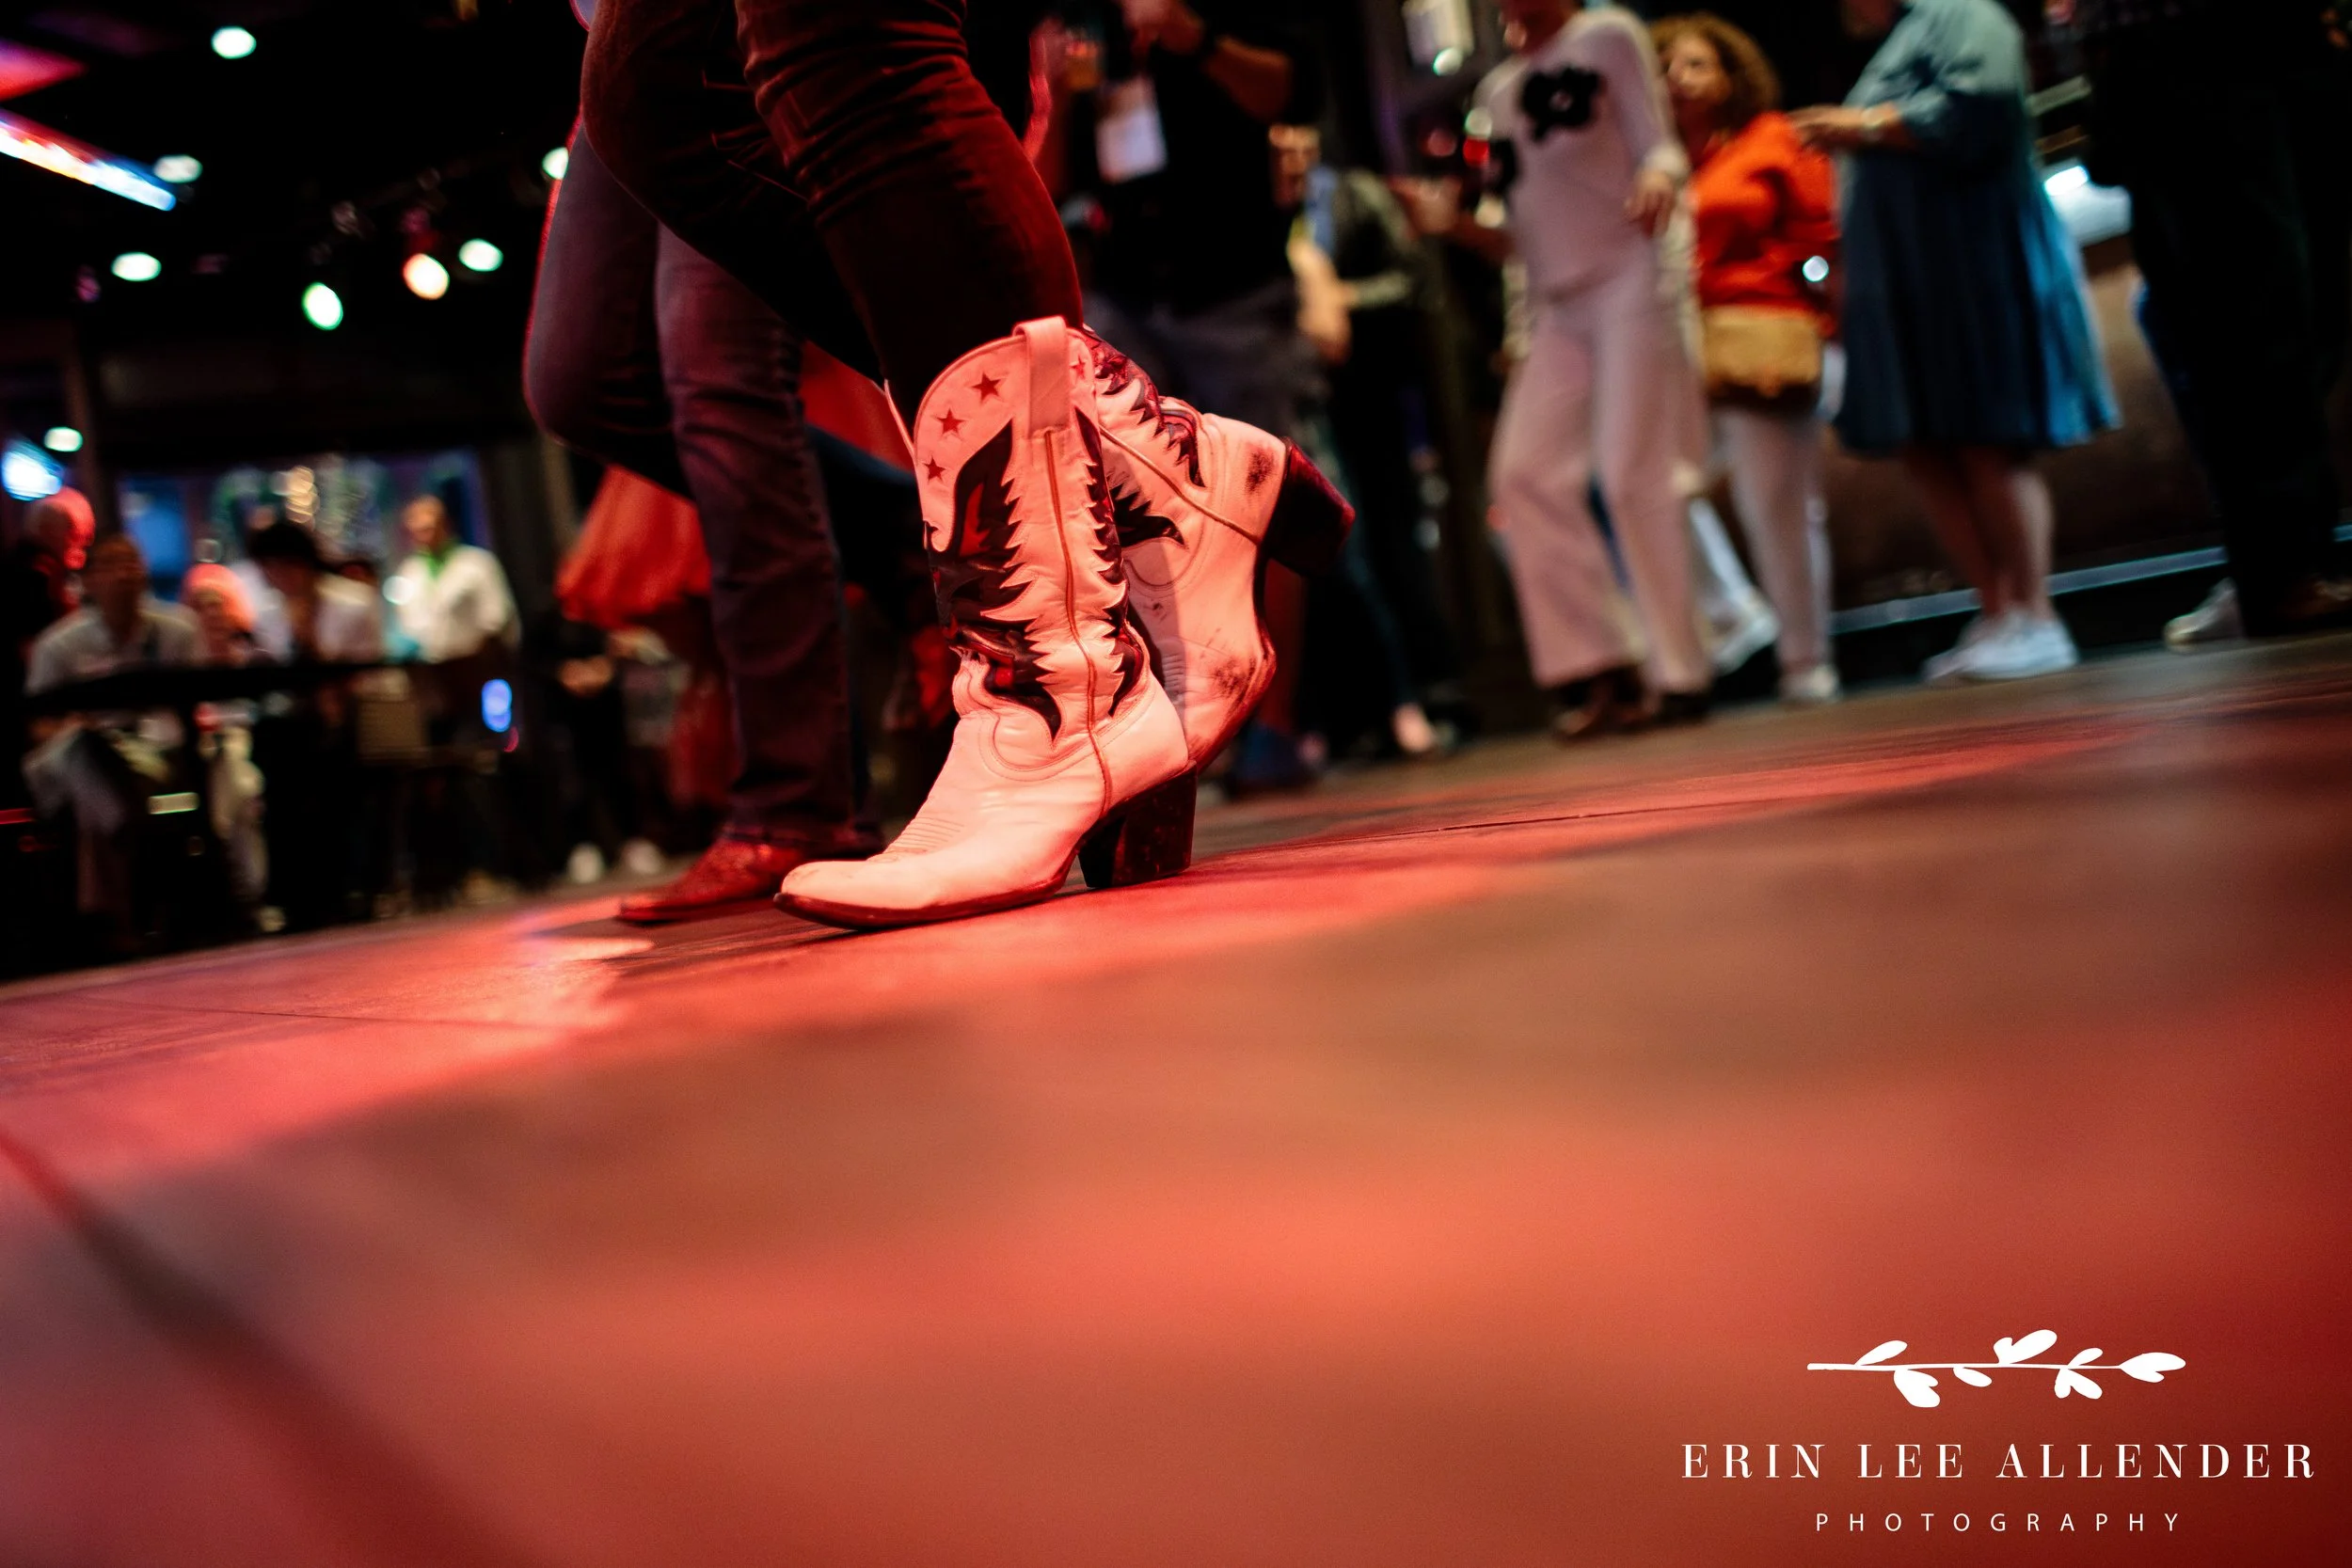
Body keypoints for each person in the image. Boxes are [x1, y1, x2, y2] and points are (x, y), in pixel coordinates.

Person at [578, 0, 1353, 927]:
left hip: (1225, 275)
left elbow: (1302, 88)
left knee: (844, 33)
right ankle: (1169, 470)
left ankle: (1061, 695)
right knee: (653, 93)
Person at [526, 0, 885, 924]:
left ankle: (798, 804)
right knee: (577, 378)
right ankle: (902, 541)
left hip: (717, 28)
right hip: (610, 45)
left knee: (723, 384)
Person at [1791, 0, 2115, 685]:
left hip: (1967, 267)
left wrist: (1864, 124)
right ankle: (1998, 613)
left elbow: (1983, 106)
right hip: (1911, 282)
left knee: (1986, 438)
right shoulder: (1902, 37)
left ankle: (2036, 614)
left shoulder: (1964, 12)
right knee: (1930, 444)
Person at [2054, 0, 2352, 646]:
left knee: (2308, 305)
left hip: (2280, 40)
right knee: (2246, 307)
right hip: (2173, 42)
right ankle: (2279, 568)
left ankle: (2279, 559)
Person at [1467, 0, 1713, 740]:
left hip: (1629, 272)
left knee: (1631, 472)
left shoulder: (1606, 34)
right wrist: (1452, 227)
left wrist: (1666, 179)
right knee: (1523, 475)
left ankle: (1682, 671)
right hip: (1555, 304)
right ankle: (1603, 663)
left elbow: (1657, 145)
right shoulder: (1498, 92)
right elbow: (1515, 225)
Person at [1658, 12, 1844, 705]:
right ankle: (1740, 619)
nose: (1677, 77)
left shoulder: (1771, 139)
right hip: (1677, 350)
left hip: (1764, 332)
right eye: (1666, 65)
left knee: (1782, 508)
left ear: (1732, 77)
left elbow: (1821, 234)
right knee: (1656, 489)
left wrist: (1820, 317)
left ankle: (1806, 659)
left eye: (1696, 64)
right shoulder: (1652, 161)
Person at [22, 535, 200, 944]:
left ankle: (115, 917)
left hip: (157, 756)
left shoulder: (178, 632)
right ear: (89, 580)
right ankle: (124, 836)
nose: (123, 575)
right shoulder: (60, 644)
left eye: (131, 563)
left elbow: (200, 702)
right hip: (73, 761)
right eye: (111, 566)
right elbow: (38, 726)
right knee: (87, 753)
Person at [3, 489, 94, 798]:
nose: (78, 545)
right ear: (47, 529)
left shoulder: (27, 570)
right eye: (74, 534)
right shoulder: (35, 577)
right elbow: (35, 648)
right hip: (32, 711)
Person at [386, 495, 516, 663]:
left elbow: (496, 618)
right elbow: (407, 626)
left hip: (476, 662)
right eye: (416, 532)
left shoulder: (477, 563)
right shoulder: (409, 572)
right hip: (431, 667)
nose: (423, 538)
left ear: (445, 525)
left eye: (428, 529)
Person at [246, 521, 386, 663]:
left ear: (307, 562)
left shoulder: (355, 604)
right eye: (270, 567)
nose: (279, 575)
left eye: (287, 565)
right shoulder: (267, 614)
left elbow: (369, 666)